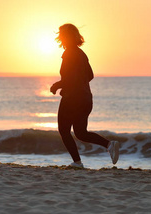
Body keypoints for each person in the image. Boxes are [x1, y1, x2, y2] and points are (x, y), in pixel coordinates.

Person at [50, 23, 119, 168]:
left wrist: (58, 85)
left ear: (65, 37)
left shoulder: (69, 53)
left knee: (64, 130)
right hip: (86, 98)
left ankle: (77, 162)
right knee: (81, 133)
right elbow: (90, 75)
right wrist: (78, 85)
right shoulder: (81, 53)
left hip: (72, 99)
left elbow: (70, 78)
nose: (60, 38)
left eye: (62, 35)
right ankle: (109, 144)